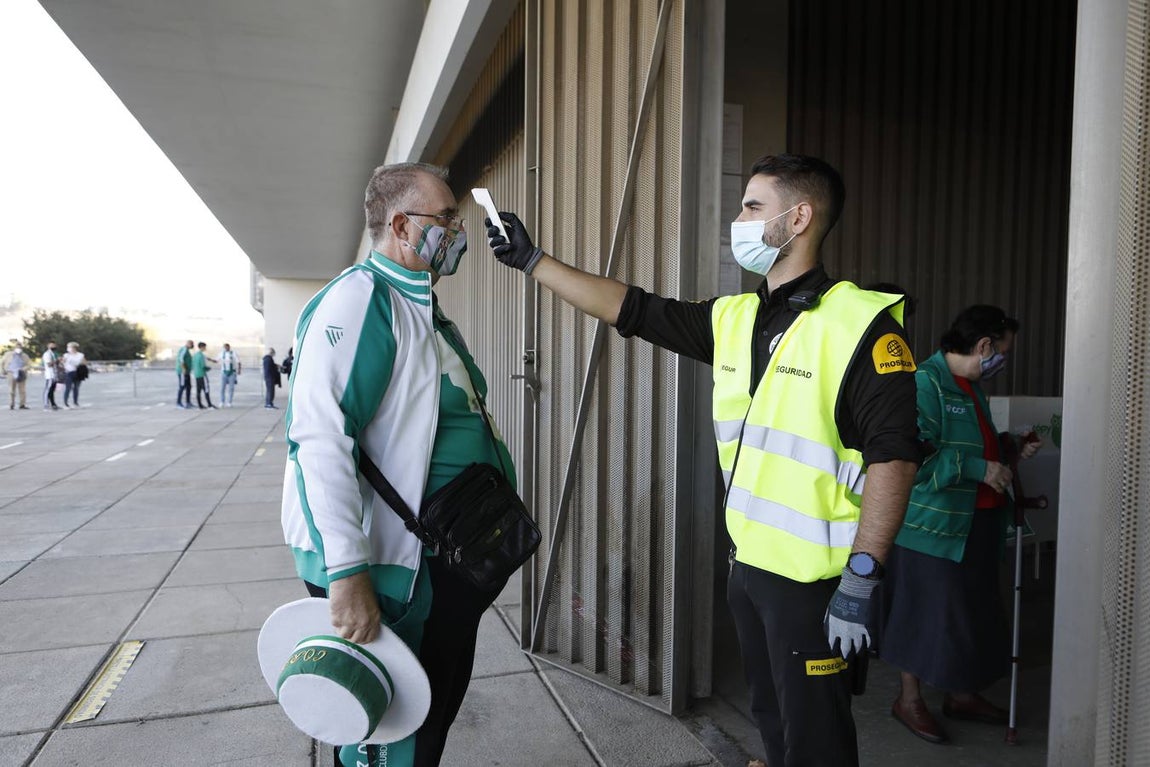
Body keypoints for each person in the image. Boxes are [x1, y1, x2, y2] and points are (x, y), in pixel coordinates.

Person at [484, 154, 921, 766]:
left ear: (797, 219)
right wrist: (534, 262)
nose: (737, 219)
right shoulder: (737, 318)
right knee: (772, 718)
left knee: (816, 738)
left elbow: (894, 459)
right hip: (748, 567)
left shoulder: (861, 326)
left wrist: (862, 578)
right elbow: (632, 308)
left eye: (751, 207)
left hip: (815, 584)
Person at [281, 161, 513, 767]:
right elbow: (320, 439)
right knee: (386, 726)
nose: (458, 232)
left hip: (437, 550)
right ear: (403, 225)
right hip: (387, 560)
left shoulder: (415, 302)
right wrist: (347, 572)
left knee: (427, 709)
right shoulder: (359, 303)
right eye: (447, 219)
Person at [877, 305, 1040, 744]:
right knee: (922, 615)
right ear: (984, 346)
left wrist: (1009, 447)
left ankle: (960, 694)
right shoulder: (925, 382)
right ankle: (908, 700)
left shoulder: (971, 388)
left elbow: (977, 445)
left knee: (972, 614)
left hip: (978, 523)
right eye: (1001, 351)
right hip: (932, 528)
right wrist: (979, 469)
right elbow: (916, 457)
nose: (1001, 360)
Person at [2, 341, 29, 410]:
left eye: (20, 347)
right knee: (11, 390)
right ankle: (11, 404)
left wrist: (23, 369)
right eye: (17, 347)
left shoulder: (24, 356)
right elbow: (2, 362)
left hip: (21, 373)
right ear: (14, 347)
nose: (18, 348)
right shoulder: (8, 354)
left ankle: (22, 404)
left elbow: (28, 365)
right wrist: (3, 370)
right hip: (11, 372)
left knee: (22, 390)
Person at [61, 342, 87, 408]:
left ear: (74, 348)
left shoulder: (80, 355)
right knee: (68, 388)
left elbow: (85, 362)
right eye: (68, 347)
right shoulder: (66, 355)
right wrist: (63, 362)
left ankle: (75, 402)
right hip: (69, 372)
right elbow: (62, 362)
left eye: (70, 347)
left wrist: (79, 364)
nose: (68, 348)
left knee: (76, 388)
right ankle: (65, 403)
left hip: (78, 373)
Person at [192, 342, 217, 409]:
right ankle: (209, 404)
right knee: (206, 389)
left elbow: (194, 364)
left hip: (197, 375)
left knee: (198, 390)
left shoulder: (195, 355)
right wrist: (209, 368)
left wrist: (212, 360)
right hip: (202, 375)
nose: (205, 348)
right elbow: (203, 367)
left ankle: (200, 405)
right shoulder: (201, 356)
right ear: (202, 347)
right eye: (205, 347)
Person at [219, 343, 241, 407]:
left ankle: (229, 402)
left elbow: (238, 362)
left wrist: (239, 370)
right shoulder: (221, 354)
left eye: (227, 347)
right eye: (225, 347)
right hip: (224, 372)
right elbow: (216, 360)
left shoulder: (233, 353)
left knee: (231, 388)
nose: (226, 348)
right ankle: (222, 401)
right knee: (222, 388)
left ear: (229, 347)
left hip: (232, 372)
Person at [41, 342, 61, 411]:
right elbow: (49, 364)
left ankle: (53, 404)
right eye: (52, 345)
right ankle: (46, 405)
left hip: (54, 375)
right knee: (48, 389)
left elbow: (55, 364)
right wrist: (56, 360)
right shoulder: (47, 354)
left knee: (52, 390)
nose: (53, 347)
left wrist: (58, 361)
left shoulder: (53, 354)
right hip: (49, 375)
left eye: (54, 345)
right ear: (48, 346)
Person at [176, 339, 194, 409]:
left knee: (188, 386)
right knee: (182, 386)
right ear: (189, 344)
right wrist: (184, 369)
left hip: (187, 371)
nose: (192, 346)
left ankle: (188, 402)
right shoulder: (184, 350)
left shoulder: (187, 350)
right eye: (192, 344)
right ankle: (178, 403)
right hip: (183, 372)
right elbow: (181, 359)